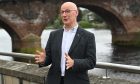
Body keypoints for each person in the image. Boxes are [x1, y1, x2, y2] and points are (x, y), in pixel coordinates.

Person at [35, 2, 96, 84]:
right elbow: (49, 58)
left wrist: (74, 63)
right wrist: (43, 61)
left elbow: (91, 61)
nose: (64, 15)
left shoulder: (88, 36)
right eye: (62, 12)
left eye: (67, 11)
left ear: (76, 13)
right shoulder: (54, 35)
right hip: (54, 81)